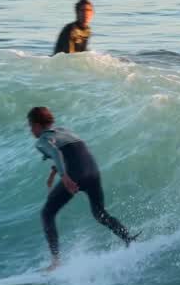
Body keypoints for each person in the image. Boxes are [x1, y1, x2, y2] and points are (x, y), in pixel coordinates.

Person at [28, 106, 135, 271]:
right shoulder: (63, 131)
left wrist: (64, 177)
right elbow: (73, 153)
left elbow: (57, 154)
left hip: (75, 174)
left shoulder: (41, 141)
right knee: (100, 213)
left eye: (30, 126)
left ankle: (56, 262)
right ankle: (129, 239)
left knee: (47, 213)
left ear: (36, 124)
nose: (30, 130)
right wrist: (53, 174)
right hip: (92, 171)